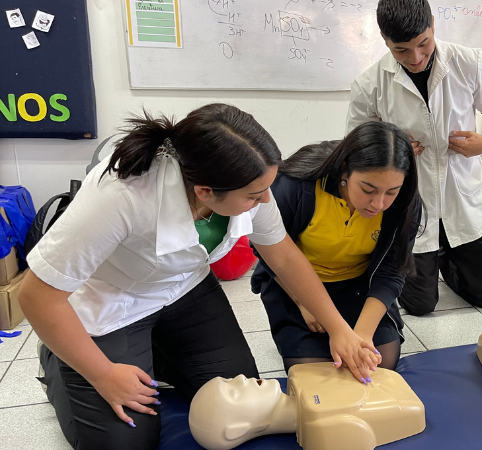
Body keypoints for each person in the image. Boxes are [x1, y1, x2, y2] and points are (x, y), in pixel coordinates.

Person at [18, 104, 377, 450]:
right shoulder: (121, 195)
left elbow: (283, 255)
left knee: (238, 395)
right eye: (255, 196)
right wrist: (102, 373)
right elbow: (35, 296)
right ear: (205, 191)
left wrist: (339, 329)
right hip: (114, 303)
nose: (266, 199)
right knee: (125, 439)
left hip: (184, 290)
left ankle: (154, 351)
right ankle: (59, 360)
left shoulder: (249, 182)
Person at [346, 0, 482, 316]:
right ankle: (429, 260)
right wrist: (389, 143)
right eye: (401, 51)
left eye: (423, 44)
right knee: (421, 306)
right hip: (412, 203)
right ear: (385, 41)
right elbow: (356, 146)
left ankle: (448, 261)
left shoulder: (469, 61)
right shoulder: (369, 84)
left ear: (433, 24)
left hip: (463, 196)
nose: (416, 58)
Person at [252, 121, 421, 372]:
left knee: (379, 364)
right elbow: (270, 252)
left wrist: (361, 336)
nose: (379, 203)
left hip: (358, 285)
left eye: (391, 192)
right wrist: (303, 303)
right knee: (316, 372)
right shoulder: (295, 186)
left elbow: (392, 271)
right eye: (368, 189)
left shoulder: (404, 202)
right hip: (296, 283)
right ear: (344, 171)